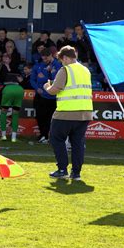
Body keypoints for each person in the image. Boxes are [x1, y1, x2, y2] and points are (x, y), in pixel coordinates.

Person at [44, 46, 93, 180]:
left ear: (65, 58)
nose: (61, 63)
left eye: (61, 60)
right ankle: (76, 173)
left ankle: (62, 169)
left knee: (56, 138)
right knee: (78, 143)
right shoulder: (85, 70)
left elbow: (55, 89)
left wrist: (47, 87)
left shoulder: (65, 69)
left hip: (66, 112)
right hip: (85, 112)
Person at [31, 48, 62, 144]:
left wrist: (44, 77)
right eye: (43, 59)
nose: (44, 61)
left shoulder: (57, 65)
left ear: (50, 56)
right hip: (40, 96)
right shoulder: (38, 66)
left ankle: (47, 136)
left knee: (49, 118)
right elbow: (32, 80)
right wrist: (37, 88)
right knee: (39, 116)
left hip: (52, 97)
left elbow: (55, 81)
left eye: (46, 59)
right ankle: (43, 135)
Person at [0, 73, 24, 142]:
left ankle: (3, 136)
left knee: (3, 113)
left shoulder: (5, 85)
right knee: (15, 114)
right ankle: (13, 138)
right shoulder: (18, 83)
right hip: (20, 90)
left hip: (8, 90)